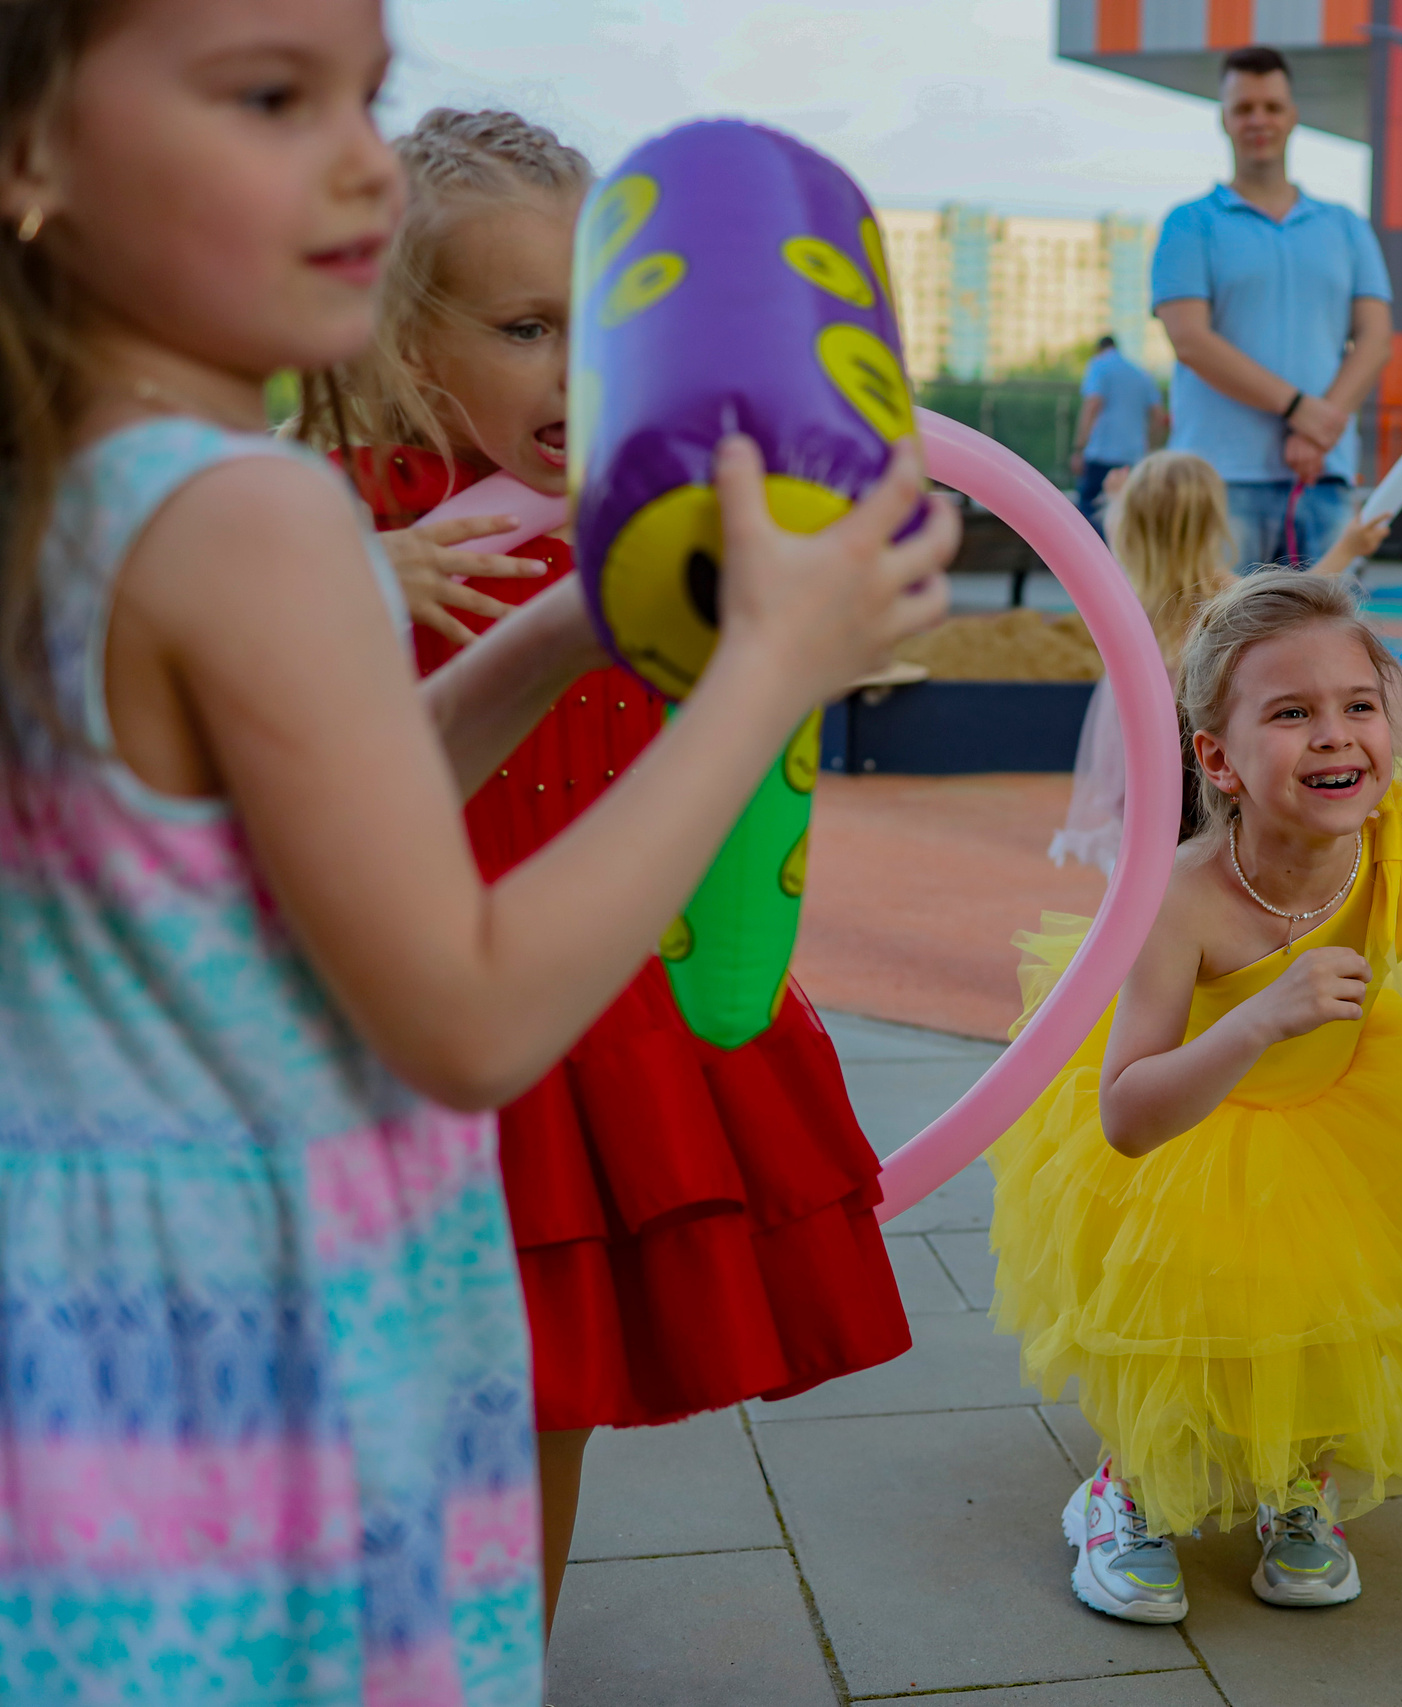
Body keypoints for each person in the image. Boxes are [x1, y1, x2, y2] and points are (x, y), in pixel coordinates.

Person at [0, 2, 953, 1697]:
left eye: (369, 93)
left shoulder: (114, 486)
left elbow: (325, 820)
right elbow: (468, 1010)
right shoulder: (263, 517)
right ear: (31, 153)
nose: (365, 154)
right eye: (275, 95)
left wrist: (576, 626)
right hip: (260, 1295)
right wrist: (767, 675)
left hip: (125, 1324)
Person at [310, 107, 918, 1629]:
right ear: (397, 334)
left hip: (592, 1014)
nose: (574, 362)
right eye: (526, 326)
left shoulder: (641, 509)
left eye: (607, 316)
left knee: (542, 1383)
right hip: (399, 1018)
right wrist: (358, 563)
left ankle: (504, 1649)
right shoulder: (329, 509)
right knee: (365, 1392)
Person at [990, 572, 1402, 1622]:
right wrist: (1259, 1018)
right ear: (1216, 759)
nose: (1336, 737)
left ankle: (1295, 1483)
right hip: (1192, 1128)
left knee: (1331, 1308)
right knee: (1184, 1314)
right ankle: (1125, 1490)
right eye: (1291, 713)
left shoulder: (1395, 856)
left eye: (1357, 705)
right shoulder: (1176, 896)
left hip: (1341, 1124)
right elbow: (1128, 1115)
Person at [1051, 449, 1388, 874]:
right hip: (1193, 742)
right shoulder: (1223, 593)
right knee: (1204, 838)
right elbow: (1300, 595)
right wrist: (1348, 547)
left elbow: (1127, 525)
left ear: (1133, 520)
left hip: (1134, 739)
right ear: (1215, 521)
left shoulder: (1128, 582)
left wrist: (1120, 499)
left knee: (1145, 839)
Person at [1153, 45, 1392, 571]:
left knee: (1328, 646)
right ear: (1224, 119)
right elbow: (1190, 340)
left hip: (1321, 475)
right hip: (1217, 480)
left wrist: (1319, 427)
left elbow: (1376, 339)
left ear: (1293, 116)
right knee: (1216, 648)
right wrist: (1297, 410)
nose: (1258, 120)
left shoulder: (1346, 226)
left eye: (1271, 107)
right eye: (1244, 108)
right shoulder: (1189, 224)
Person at [1070, 332, 1165, 530]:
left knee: (1089, 519)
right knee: (1127, 517)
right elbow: (1158, 416)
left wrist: (1079, 448)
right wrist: (1148, 447)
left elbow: (1092, 405)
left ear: (1099, 349)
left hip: (1101, 454)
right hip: (1133, 457)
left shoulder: (1099, 365)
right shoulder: (1141, 373)